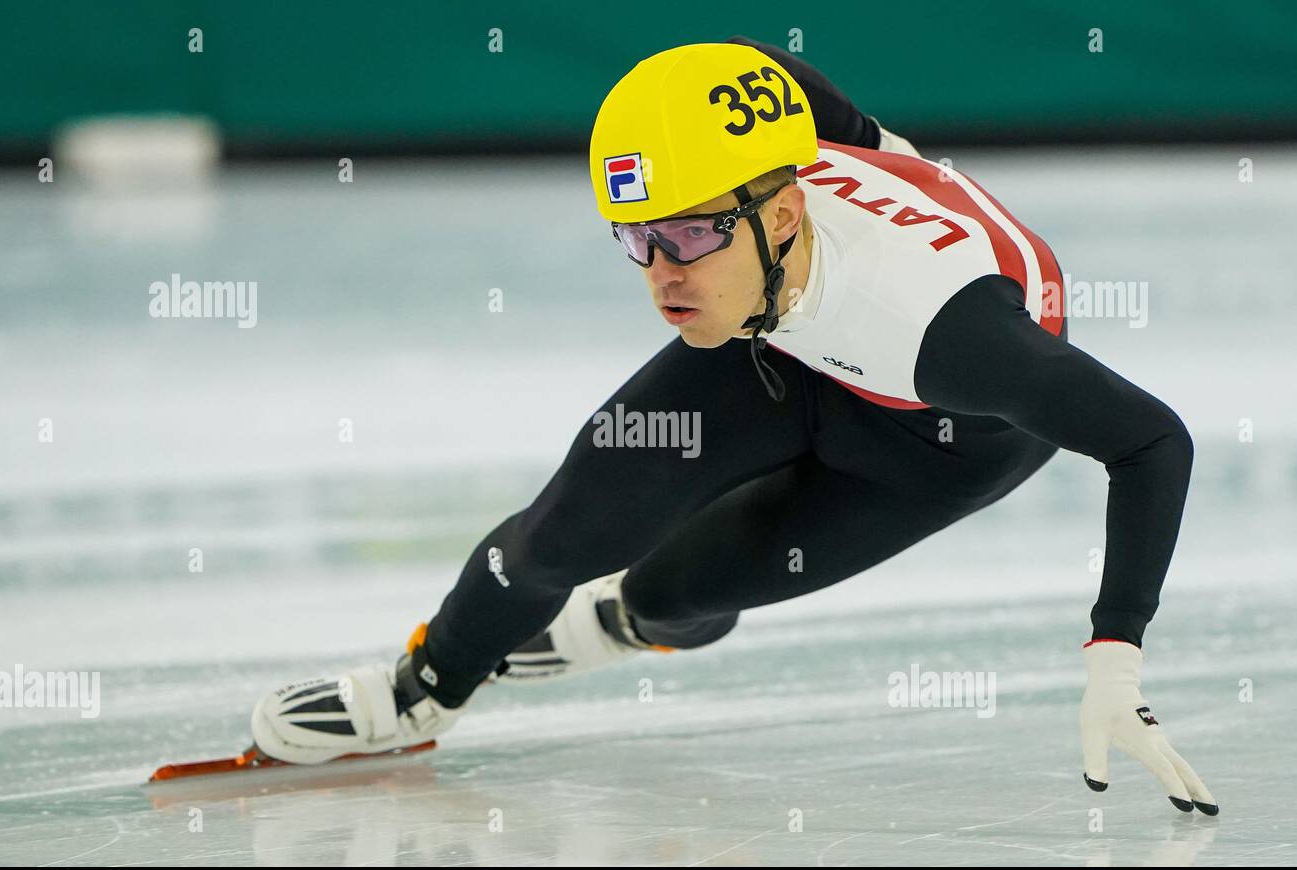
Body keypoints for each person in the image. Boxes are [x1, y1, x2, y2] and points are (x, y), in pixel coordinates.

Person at [251, 39, 1217, 815]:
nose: (662, 272)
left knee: (672, 593)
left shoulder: (951, 330)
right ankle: (425, 687)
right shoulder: (763, 189)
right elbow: (751, 70)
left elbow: (1150, 440)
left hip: (931, 448)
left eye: (689, 235)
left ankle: (624, 621)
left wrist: (1114, 651)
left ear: (786, 214)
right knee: (560, 534)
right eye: (637, 238)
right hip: (779, 347)